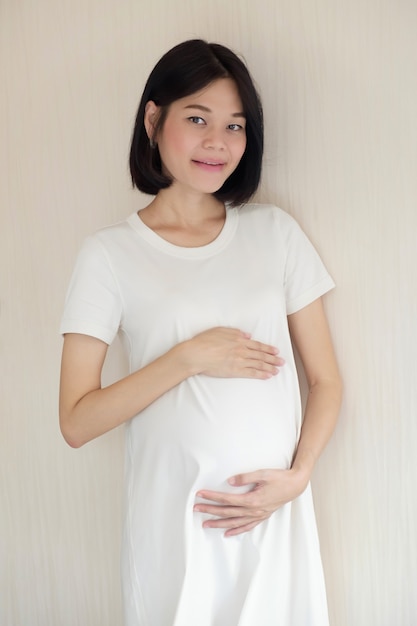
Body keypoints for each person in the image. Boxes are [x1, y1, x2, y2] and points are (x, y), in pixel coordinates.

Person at [59, 39, 342, 626]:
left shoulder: (275, 233)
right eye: (197, 119)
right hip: (176, 524)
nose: (218, 142)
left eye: (235, 125)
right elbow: (77, 421)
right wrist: (186, 357)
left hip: (274, 513)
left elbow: (326, 379)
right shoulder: (108, 255)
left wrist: (299, 476)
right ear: (153, 120)